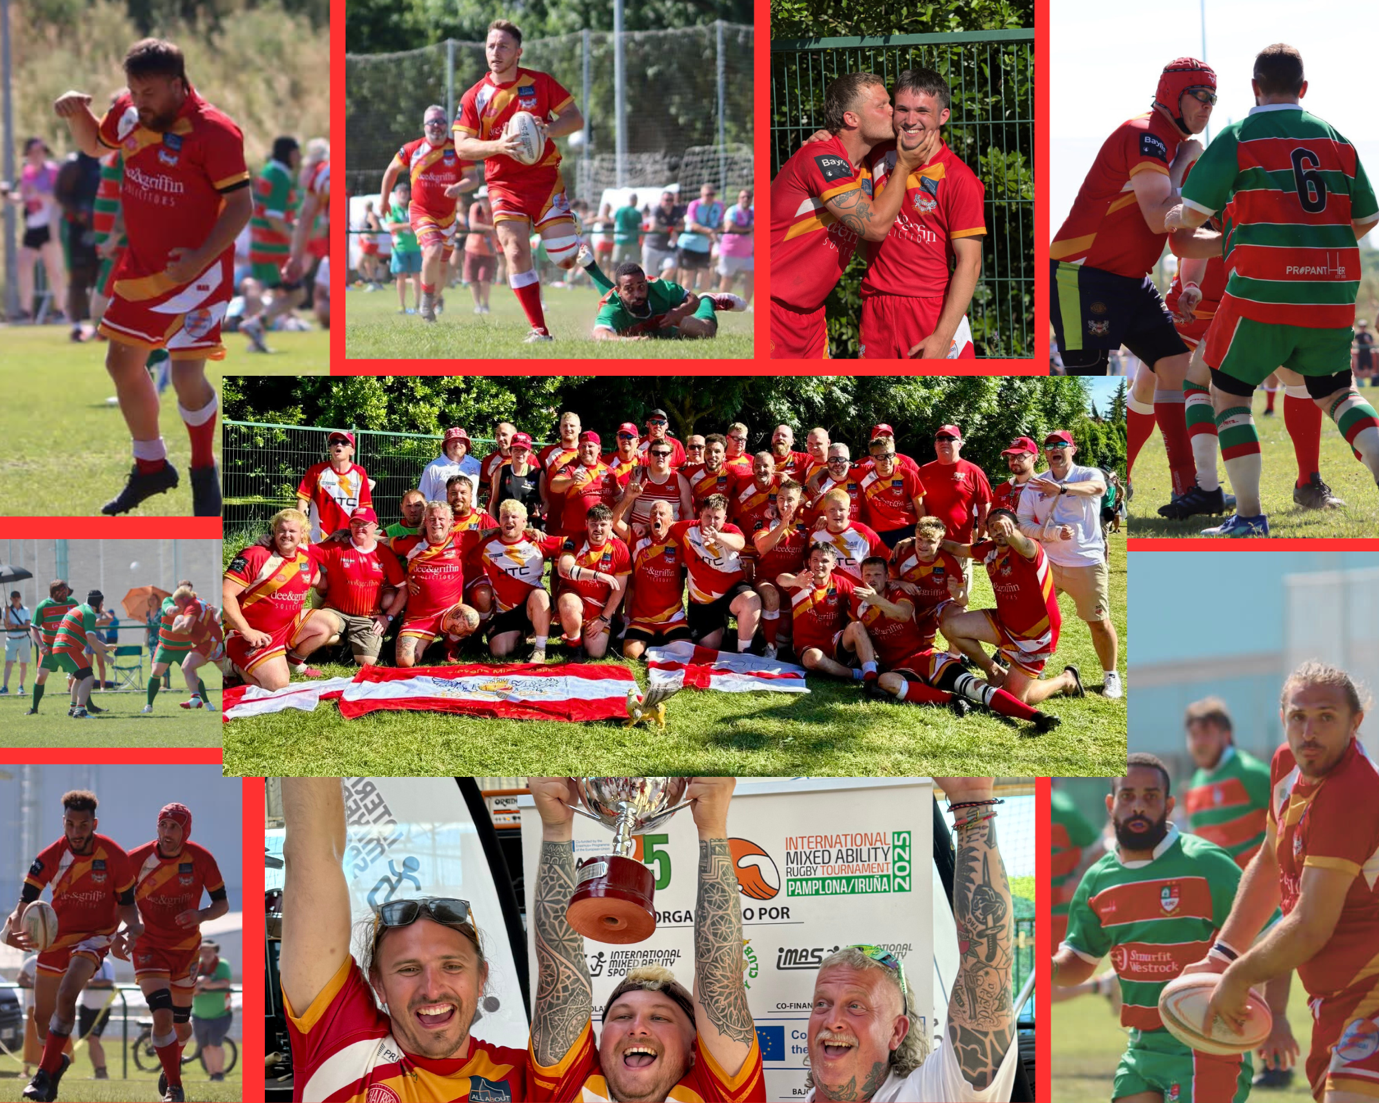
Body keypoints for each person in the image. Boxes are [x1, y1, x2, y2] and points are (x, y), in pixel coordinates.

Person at [1162, 45, 1379, 537]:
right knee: (1339, 393)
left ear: (1255, 88)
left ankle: (1249, 517)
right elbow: (1365, 219)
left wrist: (1176, 215)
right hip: (1331, 290)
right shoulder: (1338, 139)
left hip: (1263, 291)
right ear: (1303, 89)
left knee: (1228, 393)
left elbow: (1191, 215)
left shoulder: (1240, 135)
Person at [55, 38, 247, 517]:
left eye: (150, 93)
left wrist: (199, 257)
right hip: (143, 271)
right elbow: (95, 145)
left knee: (185, 375)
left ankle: (204, 472)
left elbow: (241, 207)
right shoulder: (127, 112)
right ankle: (152, 467)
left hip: (199, 273)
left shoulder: (217, 132)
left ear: (179, 85)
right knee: (121, 364)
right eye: (133, 91)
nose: (140, 102)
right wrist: (78, 113)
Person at [1176, 663, 1377, 1101]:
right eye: (1298, 717)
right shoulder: (1287, 764)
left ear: (1355, 722)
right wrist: (1221, 956)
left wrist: (1237, 977)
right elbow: (1269, 862)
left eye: (1327, 716)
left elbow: (1309, 925)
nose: (1310, 731)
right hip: (1333, 996)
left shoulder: (1354, 792)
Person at [280, 778, 532, 1099]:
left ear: (482, 977)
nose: (432, 989)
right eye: (408, 969)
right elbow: (310, 853)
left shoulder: (524, 1077)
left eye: (452, 966)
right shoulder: (340, 1045)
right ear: (378, 983)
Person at [525, 776, 765, 1102]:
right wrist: (556, 828)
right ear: (596, 1045)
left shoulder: (718, 1096)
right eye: (622, 1016)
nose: (636, 1028)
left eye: (660, 1017)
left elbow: (720, 978)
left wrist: (712, 828)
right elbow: (559, 968)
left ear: (696, 1048)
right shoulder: (569, 1088)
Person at [800, 778, 1018, 1101]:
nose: (833, 1021)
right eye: (822, 1003)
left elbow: (985, 968)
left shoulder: (928, 1093)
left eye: (856, 1006)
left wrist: (971, 801)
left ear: (897, 1031)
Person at [1055, 756, 1253, 1103]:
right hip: (1141, 1047)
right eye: (1128, 796)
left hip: (1205, 1043)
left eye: (1150, 797)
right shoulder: (1098, 881)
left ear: (1169, 804)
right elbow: (1079, 963)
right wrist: (1050, 965)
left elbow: (1265, 932)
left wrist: (1276, 1015)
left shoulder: (1206, 864)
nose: (1138, 807)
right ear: (1111, 804)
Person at [769, 72, 937, 358]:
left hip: (811, 318)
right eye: (881, 105)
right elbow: (873, 228)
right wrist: (905, 168)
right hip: (771, 312)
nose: (892, 111)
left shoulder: (865, 166)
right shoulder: (821, 157)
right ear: (851, 119)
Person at [2, 789, 141, 1103]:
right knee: (41, 1016)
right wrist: (11, 926)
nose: (76, 832)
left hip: (95, 937)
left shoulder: (114, 856)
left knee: (67, 994)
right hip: (57, 938)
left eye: (83, 825)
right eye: (70, 825)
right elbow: (24, 903)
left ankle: (42, 1075)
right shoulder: (50, 856)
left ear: (94, 823)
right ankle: (55, 1062)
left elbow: (128, 905)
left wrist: (133, 927)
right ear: (63, 823)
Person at [452, 20, 585, 342]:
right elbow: (462, 147)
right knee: (514, 251)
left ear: (518, 52)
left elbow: (576, 119)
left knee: (565, 259)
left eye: (503, 46)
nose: (495, 52)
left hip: (544, 180)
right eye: (490, 46)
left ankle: (568, 224)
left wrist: (549, 130)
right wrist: (498, 146)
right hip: (504, 186)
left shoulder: (540, 83)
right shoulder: (474, 96)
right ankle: (540, 329)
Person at [858, 69, 985, 359]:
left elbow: (971, 263)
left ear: (943, 116)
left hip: (930, 312)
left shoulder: (959, 179)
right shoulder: (876, 156)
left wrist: (942, 338)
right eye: (902, 109)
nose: (910, 120)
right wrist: (825, 137)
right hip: (876, 308)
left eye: (922, 111)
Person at [128, 802, 229, 1102]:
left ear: (186, 831)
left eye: (174, 827)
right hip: (149, 947)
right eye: (163, 825)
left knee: (182, 1029)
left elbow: (221, 904)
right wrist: (125, 931)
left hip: (186, 951)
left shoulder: (201, 859)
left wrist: (200, 916)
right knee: (162, 1015)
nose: (167, 832)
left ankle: (170, 1065)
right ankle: (175, 1087)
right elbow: (118, 902)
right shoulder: (136, 860)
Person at [1015, 431, 1121, 698]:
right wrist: (1051, 534)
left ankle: (1111, 676)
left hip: (1086, 561)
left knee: (1097, 621)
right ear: (1045, 453)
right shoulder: (1034, 485)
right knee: (1033, 617)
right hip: (1048, 562)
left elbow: (1099, 489)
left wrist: (1062, 489)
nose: (1055, 450)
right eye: (1049, 446)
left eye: (1061, 445)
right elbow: (1023, 523)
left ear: (1072, 449)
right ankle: (1029, 667)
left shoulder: (1087, 474)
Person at [939, 509, 1083, 705]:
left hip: (1036, 633)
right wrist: (921, 540)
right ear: (988, 530)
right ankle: (994, 671)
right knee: (950, 626)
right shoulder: (988, 549)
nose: (999, 531)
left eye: (1004, 525)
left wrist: (1011, 533)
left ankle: (1066, 679)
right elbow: (957, 549)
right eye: (993, 527)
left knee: (1015, 699)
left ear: (1016, 527)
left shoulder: (1031, 549)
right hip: (1005, 623)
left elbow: (1023, 544)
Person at [378, 106, 479, 322]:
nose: (436, 126)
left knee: (443, 269)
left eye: (441, 121)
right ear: (424, 126)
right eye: (432, 122)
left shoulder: (459, 149)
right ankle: (425, 301)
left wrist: (458, 188)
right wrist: (384, 200)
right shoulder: (412, 149)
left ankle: (432, 300)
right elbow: (391, 171)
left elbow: (473, 179)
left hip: (448, 217)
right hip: (421, 211)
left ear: (448, 125)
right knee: (433, 249)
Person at [222, 508, 321, 690]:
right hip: (249, 634)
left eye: (292, 531)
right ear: (274, 531)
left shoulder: (307, 558)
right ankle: (232, 666)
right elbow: (224, 594)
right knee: (277, 685)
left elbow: (324, 581)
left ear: (303, 533)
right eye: (281, 530)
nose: (286, 535)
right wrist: (246, 631)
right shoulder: (256, 554)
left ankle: (292, 662)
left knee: (328, 622)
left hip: (284, 628)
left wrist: (344, 535)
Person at [304, 507, 408, 667]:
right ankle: (337, 641)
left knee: (367, 662)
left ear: (375, 526)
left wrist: (388, 618)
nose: (360, 528)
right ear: (349, 527)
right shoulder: (336, 547)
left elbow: (403, 589)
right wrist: (269, 541)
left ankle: (344, 643)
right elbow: (300, 551)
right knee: (315, 627)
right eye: (355, 523)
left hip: (367, 617)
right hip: (335, 611)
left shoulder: (384, 553)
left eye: (364, 524)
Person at [667, 494, 760, 652]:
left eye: (716, 518)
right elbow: (667, 526)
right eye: (708, 516)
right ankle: (724, 630)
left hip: (731, 591)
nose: (711, 522)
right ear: (700, 514)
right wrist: (647, 528)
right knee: (709, 647)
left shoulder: (729, 530)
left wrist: (717, 537)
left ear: (724, 518)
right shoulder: (688, 529)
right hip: (702, 600)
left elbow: (740, 543)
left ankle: (744, 653)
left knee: (751, 601)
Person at [241, 135, 304, 352]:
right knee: (297, 294)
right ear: (288, 153)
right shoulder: (280, 176)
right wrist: (294, 241)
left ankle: (256, 337)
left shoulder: (269, 171)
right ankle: (255, 324)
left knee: (278, 293)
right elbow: (273, 216)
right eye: (297, 152)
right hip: (274, 249)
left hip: (262, 245)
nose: (300, 157)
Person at [778, 542, 874, 681]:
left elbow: (862, 604)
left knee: (857, 626)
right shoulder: (801, 579)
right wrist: (795, 581)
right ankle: (855, 674)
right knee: (813, 659)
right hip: (809, 647)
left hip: (836, 643)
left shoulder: (841, 582)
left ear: (834, 565)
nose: (819, 565)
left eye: (825, 561)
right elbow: (780, 579)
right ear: (809, 562)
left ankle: (871, 675)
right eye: (815, 560)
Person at [551, 503, 630, 660]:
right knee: (569, 605)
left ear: (610, 526)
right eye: (593, 524)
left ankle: (580, 629)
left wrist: (603, 619)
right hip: (575, 597)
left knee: (596, 653)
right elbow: (564, 568)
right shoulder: (574, 540)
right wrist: (598, 575)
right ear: (586, 524)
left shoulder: (619, 548)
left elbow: (619, 590)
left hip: (599, 608)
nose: (598, 529)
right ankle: (575, 645)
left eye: (603, 524)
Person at [589, 260, 740, 340]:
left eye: (641, 287)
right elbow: (599, 333)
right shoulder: (611, 307)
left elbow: (692, 299)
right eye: (629, 289)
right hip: (656, 331)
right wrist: (625, 341)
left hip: (668, 322)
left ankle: (709, 300)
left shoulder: (659, 287)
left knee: (707, 332)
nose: (637, 294)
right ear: (619, 291)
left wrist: (678, 312)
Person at [919, 425, 992, 586]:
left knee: (959, 593)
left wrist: (982, 538)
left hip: (960, 545)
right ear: (935, 444)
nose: (944, 442)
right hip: (929, 544)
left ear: (960, 444)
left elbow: (984, 507)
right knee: (929, 590)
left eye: (950, 438)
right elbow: (917, 506)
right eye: (940, 438)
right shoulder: (923, 472)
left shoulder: (973, 471)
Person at [749, 478, 811, 658]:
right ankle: (770, 647)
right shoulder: (767, 518)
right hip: (767, 579)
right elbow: (761, 547)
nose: (785, 503)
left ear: (799, 500)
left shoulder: (808, 518)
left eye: (790, 499)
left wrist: (822, 519)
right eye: (781, 498)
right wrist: (783, 524)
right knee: (771, 595)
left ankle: (804, 645)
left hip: (794, 580)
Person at [8, 138, 67, 321]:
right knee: (23, 263)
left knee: (53, 269)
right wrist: (10, 197)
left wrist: (39, 195)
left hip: (50, 225)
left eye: (40, 150)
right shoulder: (27, 173)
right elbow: (26, 198)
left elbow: (60, 197)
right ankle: (26, 311)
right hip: (32, 225)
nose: (37, 154)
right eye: (33, 151)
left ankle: (61, 310)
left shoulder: (52, 171)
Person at [284, 137, 330, 329]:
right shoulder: (317, 172)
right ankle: (289, 308)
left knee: (303, 268)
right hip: (314, 228)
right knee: (302, 269)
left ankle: (292, 307)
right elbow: (307, 206)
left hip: (311, 227)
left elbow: (305, 206)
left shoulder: (310, 172)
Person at [48, 590, 114, 718]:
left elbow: (91, 637)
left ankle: (73, 708)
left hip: (61, 649)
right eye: (101, 603)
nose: (102, 606)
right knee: (88, 678)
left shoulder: (80, 609)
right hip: (67, 648)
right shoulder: (89, 613)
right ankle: (80, 711)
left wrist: (105, 646)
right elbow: (90, 638)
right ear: (97, 603)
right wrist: (104, 656)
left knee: (79, 677)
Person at [297, 430, 373, 540]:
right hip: (318, 538)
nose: (338, 444)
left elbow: (365, 508)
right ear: (330, 448)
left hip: (348, 537)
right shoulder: (316, 470)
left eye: (344, 442)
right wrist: (300, 527)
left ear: (352, 451)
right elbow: (302, 500)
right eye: (334, 442)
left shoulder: (360, 473)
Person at [143, 585, 204, 713]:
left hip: (185, 648)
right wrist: (180, 608)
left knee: (194, 676)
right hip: (166, 647)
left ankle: (208, 703)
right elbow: (170, 611)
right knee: (155, 672)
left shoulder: (194, 604)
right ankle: (148, 706)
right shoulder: (168, 600)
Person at [859, 435, 926, 548]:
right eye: (881, 457)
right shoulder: (863, 473)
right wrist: (819, 475)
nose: (887, 461)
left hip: (908, 529)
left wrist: (922, 534)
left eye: (890, 455)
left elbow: (920, 508)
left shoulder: (908, 475)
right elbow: (839, 466)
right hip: (880, 532)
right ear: (872, 459)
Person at [810, 488, 888, 585]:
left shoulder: (864, 533)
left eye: (841, 509)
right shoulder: (815, 534)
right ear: (825, 512)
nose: (837, 514)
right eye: (832, 510)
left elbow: (888, 560)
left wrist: (896, 581)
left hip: (860, 594)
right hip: (828, 597)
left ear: (849, 511)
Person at [547, 431, 615, 539]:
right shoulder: (571, 468)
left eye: (590, 446)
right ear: (578, 449)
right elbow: (554, 486)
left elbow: (619, 497)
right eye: (583, 446)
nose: (586, 449)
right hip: (574, 534)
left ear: (599, 448)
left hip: (601, 535)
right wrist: (570, 481)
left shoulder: (609, 471)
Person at [618, 438, 692, 531]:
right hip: (638, 533)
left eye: (664, 453)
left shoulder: (679, 480)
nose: (660, 456)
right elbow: (626, 510)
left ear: (670, 456)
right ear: (649, 456)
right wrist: (622, 535)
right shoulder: (638, 476)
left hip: (669, 535)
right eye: (656, 453)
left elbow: (688, 512)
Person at [192, 938, 233, 1082]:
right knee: (205, 1046)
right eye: (204, 950)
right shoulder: (195, 966)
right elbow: (191, 987)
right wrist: (204, 982)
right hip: (199, 1014)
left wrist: (204, 986)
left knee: (215, 1044)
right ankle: (211, 1074)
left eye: (210, 950)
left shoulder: (222, 965)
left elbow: (224, 983)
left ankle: (219, 1073)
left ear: (215, 951)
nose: (207, 953)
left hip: (220, 1014)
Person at [675, 183, 723, 292]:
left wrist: (715, 231)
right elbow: (692, 224)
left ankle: (702, 302)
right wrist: (709, 231)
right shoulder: (694, 205)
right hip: (688, 245)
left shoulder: (718, 206)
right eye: (707, 194)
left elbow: (721, 224)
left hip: (704, 247)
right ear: (702, 194)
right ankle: (685, 302)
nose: (710, 197)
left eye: (712, 194)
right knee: (688, 275)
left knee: (706, 275)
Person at [382, 180, 421, 314]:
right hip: (399, 248)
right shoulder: (391, 209)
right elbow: (392, 226)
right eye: (401, 192)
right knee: (401, 276)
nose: (404, 194)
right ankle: (402, 305)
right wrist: (409, 226)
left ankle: (417, 305)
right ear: (396, 194)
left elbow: (420, 222)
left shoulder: (413, 207)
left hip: (416, 247)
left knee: (417, 276)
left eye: (406, 192)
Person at [418, 426, 483, 503]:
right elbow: (424, 498)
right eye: (453, 441)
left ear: (466, 445)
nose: (458, 444)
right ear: (445, 445)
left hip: (470, 514)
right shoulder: (433, 468)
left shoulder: (476, 465)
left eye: (461, 441)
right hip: (442, 514)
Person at [76, 956, 115, 1080]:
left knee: (94, 1039)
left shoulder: (106, 964)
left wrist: (90, 983)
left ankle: (102, 1071)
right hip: (86, 1007)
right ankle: (98, 1071)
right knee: (90, 1040)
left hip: (101, 1009)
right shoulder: (83, 962)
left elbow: (109, 981)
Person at [489, 432, 542, 523]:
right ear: (510, 451)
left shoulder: (537, 473)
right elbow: (493, 502)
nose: (519, 453)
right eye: (516, 449)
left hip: (529, 525)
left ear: (529, 452)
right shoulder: (501, 471)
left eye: (523, 450)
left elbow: (546, 502)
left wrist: (539, 513)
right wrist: (494, 522)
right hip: (505, 524)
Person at [805, 443, 863, 523]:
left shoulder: (860, 479)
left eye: (841, 459)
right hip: (822, 533)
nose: (837, 463)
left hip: (853, 533)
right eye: (832, 459)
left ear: (848, 461)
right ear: (827, 461)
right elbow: (796, 502)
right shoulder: (817, 482)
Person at [716, 187, 754, 304]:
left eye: (748, 197)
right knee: (727, 278)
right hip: (730, 251)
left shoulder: (753, 212)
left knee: (752, 277)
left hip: (747, 252)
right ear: (739, 199)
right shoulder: (732, 211)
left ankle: (746, 304)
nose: (745, 199)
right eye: (743, 197)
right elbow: (729, 226)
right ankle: (721, 304)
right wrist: (748, 229)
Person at [463, 190, 496, 314]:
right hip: (472, 248)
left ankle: (486, 304)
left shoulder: (495, 209)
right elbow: (473, 225)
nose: (484, 201)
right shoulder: (475, 208)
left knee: (485, 280)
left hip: (489, 251)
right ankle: (477, 305)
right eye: (482, 198)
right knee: (473, 280)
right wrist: (490, 228)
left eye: (486, 198)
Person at [991, 436, 1037, 514]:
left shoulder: (1043, 486)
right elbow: (992, 520)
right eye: (1011, 457)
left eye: (1020, 457)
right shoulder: (1001, 489)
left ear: (1033, 458)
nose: (1015, 462)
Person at [642, 190, 682, 277]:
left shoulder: (677, 210)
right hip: (652, 248)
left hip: (668, 250)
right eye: (666, 200)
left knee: (671, 266)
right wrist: (671, 229)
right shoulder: (656, 209)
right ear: (661, 200)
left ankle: (659, 287)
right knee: (649, 277)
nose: (669, 202)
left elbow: (682, 225)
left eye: (671, 200)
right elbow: (653, 226)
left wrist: (673, 230)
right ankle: (654, 288)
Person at [3, 590, 31, 697]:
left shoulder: (26, 610)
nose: (16, 599)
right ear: (10, 599)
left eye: (17, 597)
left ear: (20, 598)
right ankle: (5, 686)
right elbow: (7, 626)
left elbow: (28, 625)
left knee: (23, 663)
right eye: (14, 597)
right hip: (11, 639)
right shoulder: (6, 610)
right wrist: (8, 614)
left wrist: (16, 626)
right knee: (8, 663)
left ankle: (21, 686)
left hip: (23, 638)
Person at [611, 192, 641, 266]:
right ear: (635, 201)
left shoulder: (620, 210)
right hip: (633, 241)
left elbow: (613, 220)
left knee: (616, 263)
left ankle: (612, 278)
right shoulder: (637, 212)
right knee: (633, 265)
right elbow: (640, 227)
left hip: (620, 240)